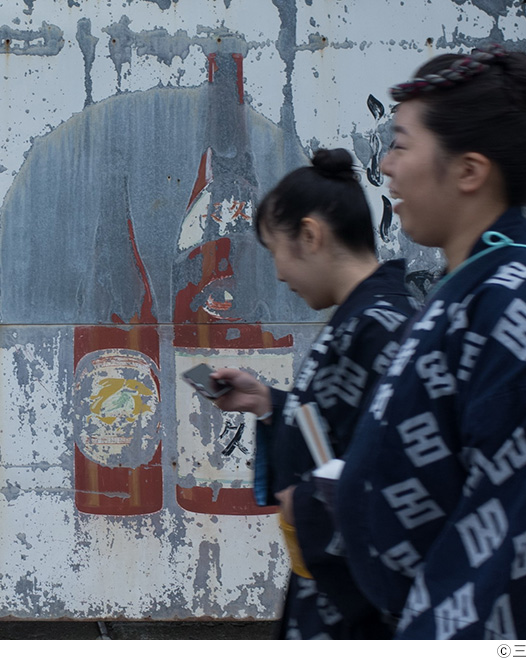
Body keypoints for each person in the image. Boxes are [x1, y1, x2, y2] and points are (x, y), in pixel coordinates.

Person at [336, 45, 526, 639]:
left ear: (469, 171)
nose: (385, 166)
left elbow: (510, 562)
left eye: (400, 144)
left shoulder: (521, 307)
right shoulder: (473, 284)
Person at [211, 147, 418, 639]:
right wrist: (266, 401)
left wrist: (299, 503)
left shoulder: (373, 329)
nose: (279, 273)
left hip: (354, 608)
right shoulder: (374, 317)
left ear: (310, 235)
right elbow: (338, 429)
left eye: (275, 250)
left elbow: (390, 473)